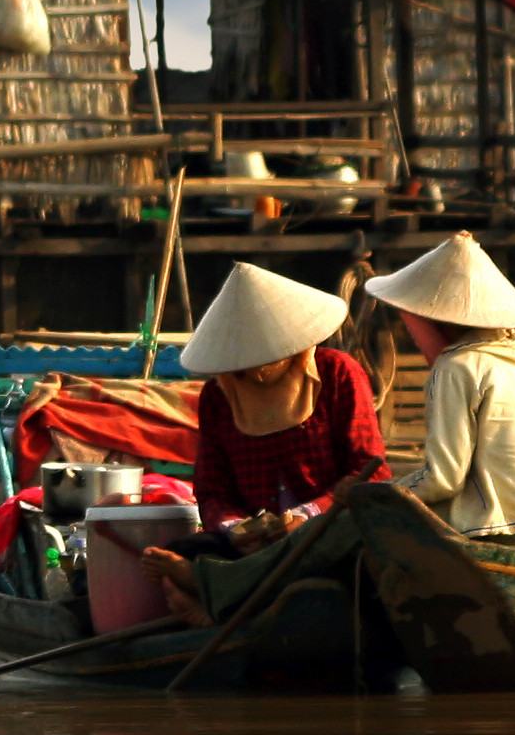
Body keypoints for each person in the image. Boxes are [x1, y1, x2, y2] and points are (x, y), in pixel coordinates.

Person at [145, 262, 386, 625]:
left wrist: (309, 516)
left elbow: (371, 471)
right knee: (180, 552)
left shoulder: (337, 372)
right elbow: (211, 491)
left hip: (324, 532)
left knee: (326, 550)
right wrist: (234, 528)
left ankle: (216, 598)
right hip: (255, 547)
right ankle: (223, 597)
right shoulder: (218, 395)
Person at [364, 232, 515, 542]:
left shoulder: (456, 366)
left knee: (361, 527)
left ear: (433, 320)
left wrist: (382, 494)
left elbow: (443, 481)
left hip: (490, 527)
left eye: (412, 329)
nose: (413, 338)